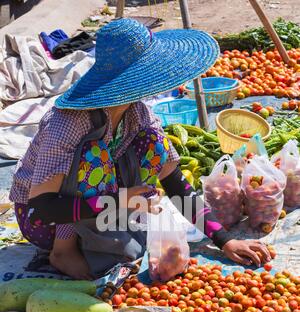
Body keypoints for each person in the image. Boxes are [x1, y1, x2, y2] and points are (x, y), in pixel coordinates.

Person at [9, 18, 271, 280]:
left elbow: (175, 182)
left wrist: (224, 240)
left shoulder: (137, 114)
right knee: (94, 156)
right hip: (49, 224)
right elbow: (40, 211)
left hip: (99, 206)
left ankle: (102, 232)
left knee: (152, 143)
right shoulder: (68, 123)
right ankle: (64, 251)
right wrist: (119, 201)